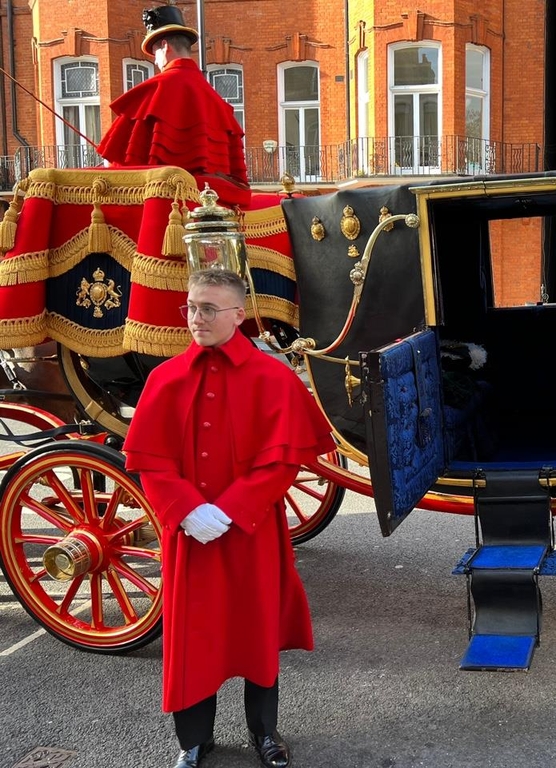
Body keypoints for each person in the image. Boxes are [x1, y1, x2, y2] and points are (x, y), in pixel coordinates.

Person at [123, 268, 335, 768]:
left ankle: (266, 733)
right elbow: (149, 461)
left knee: (256, 632)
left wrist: (234, 509)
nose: (197, 318)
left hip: (252, 532)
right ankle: (194, 740)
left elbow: (283, 461)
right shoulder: (164, 377)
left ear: (239, 315)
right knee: (192, 637)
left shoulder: (273, 377)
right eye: (192, 307)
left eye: (209, 308)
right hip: (190, 536)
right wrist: (186, 510)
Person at [97, 4, 250, 206]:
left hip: (164, 213)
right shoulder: (216, 100)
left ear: (164, 46)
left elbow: (116, 165)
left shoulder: (154, 90)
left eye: (155, 53)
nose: (156, 62)